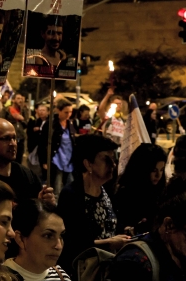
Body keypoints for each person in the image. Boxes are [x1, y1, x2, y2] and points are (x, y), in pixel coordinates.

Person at [56, 135, 130, 271]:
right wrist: (108, 243)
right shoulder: (71, 195)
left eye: (113, 159)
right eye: (106, 159)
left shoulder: (107, 190)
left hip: (108, 268)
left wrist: (124, 231)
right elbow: (72, 242)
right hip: (83, 273)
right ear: (88, 163)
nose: (112, 165)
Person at [0, 118, 56, 212]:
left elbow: (37, 215)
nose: (13, 144)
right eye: (6, 139)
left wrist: (43, 204)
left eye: (14, 138)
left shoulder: (28, 177)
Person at [113, 143, 166, 235]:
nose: (158, 175)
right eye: (154, 170)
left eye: (161, 170)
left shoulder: (160, 191)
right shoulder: (126, 192)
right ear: (142, 168)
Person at [38, 98, 76, 195]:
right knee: (56, 187)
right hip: (57, 160)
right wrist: (44, 161)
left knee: (71, 186)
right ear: (58, 110)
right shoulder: (51, 124)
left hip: (69, 161)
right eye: (66, 112)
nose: (68, 115)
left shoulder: (70, 123)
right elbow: (42, 143)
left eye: (70, 112)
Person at [26, 103, 49, 176]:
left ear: (47, 112)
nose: (41, 112)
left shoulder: (50, 122)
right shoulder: (36, 121)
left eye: (43, 110)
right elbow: (29, 132)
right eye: (40, 110)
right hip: (36, 147)